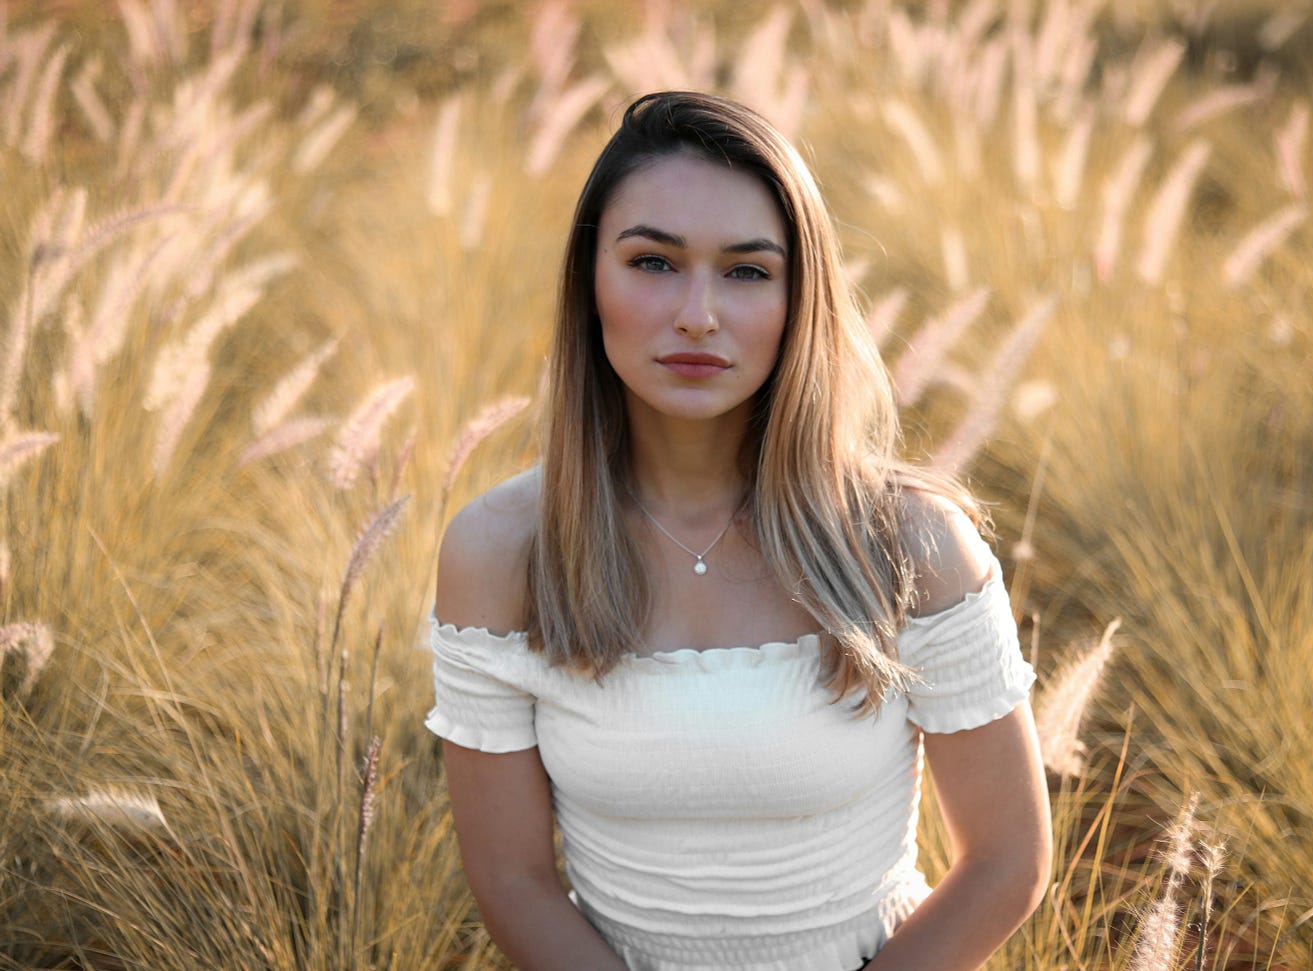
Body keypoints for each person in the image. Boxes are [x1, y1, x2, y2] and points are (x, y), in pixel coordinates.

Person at [427, 90, 1052, 971]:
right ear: (589, 280)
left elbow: (1006, 862)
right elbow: (512, 879)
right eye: (653, 262)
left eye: (748, 271)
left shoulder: (911, 543)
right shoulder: (499, 551)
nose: (697, 315)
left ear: (803, 300)